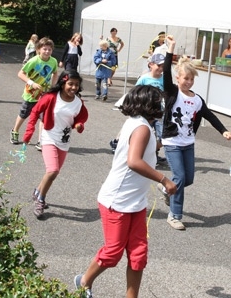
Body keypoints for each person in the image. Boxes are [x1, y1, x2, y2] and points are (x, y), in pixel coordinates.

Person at [74, 85, 176, 298]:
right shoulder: (141, 128)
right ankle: (83, 282)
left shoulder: (139, 123)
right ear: (147, 104)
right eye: (158, 101)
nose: (161, 105)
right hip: (117, 201)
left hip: (135, 202)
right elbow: (134, 161)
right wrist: (164, 179)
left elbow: (142, 154)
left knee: (138, 255)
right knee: (112, 253)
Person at [159, 35, 231, 230]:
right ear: (178, 78)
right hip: (172, 142)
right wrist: (171, 48)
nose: (189, 82)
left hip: (188, 143)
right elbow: (165, 70)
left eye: (192, 79)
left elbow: (210, 116)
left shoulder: (197, 99)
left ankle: (167, 189)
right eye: (186, 78)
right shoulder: (172, 92)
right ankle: (175, 215)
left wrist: (223, 131)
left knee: (188, 178)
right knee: (180, 177)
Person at [22, 69, 88, 219]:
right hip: (49, 137)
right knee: (52, 170)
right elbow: (35, 112)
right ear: (63, 83)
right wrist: (29, 133)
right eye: (70, 84)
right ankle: (40, 200)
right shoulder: (51, 97)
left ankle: (37, 192)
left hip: (64, 141)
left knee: (53, 173)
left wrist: (79, 125)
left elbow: (82, 117)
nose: (74, 87)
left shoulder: (78, 103)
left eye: (77, 85)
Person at [10, 37, 59, 145]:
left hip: (44, 94)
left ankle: (41, 140)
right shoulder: (33, 61)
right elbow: (20, 74)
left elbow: (55, 72)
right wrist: (32, 83)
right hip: (31, 94)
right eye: (45, 49)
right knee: (24, 113)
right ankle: (15, 130)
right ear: (39, 49)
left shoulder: (53, 61)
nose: (47, 51)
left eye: (49, 49)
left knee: (43, 117)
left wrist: (53, 86)